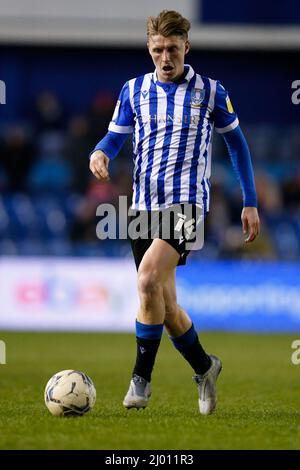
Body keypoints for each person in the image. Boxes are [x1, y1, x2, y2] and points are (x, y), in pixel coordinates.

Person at [89, 10, 260, 415]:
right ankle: (205, 367)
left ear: (187, 46)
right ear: (149, 49)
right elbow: (115, 136)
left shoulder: (211, 92)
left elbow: (237, 145)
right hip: (143, 207)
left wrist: (249, 199)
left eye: (172, 49)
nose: (165, 58)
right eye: (157, 50)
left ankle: (140, 382)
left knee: (148, 279)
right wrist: (99, 151)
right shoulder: (133, 90)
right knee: (163, 303)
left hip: (188, 207)